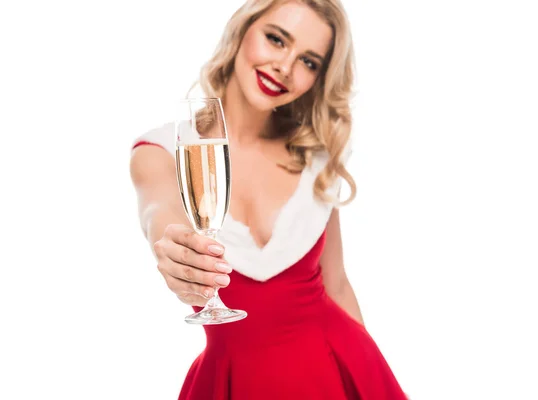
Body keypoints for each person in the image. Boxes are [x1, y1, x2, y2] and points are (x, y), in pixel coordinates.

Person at [130, 0, 408, 398]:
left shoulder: (314, 157)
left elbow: (337, 285)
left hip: (336, 362)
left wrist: (369, 381)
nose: (285, 67)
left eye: (309, 62)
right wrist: (175, 250)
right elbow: (160, 213)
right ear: (242, 29)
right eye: (276, 39)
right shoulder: (162, 151)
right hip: (235, 379)